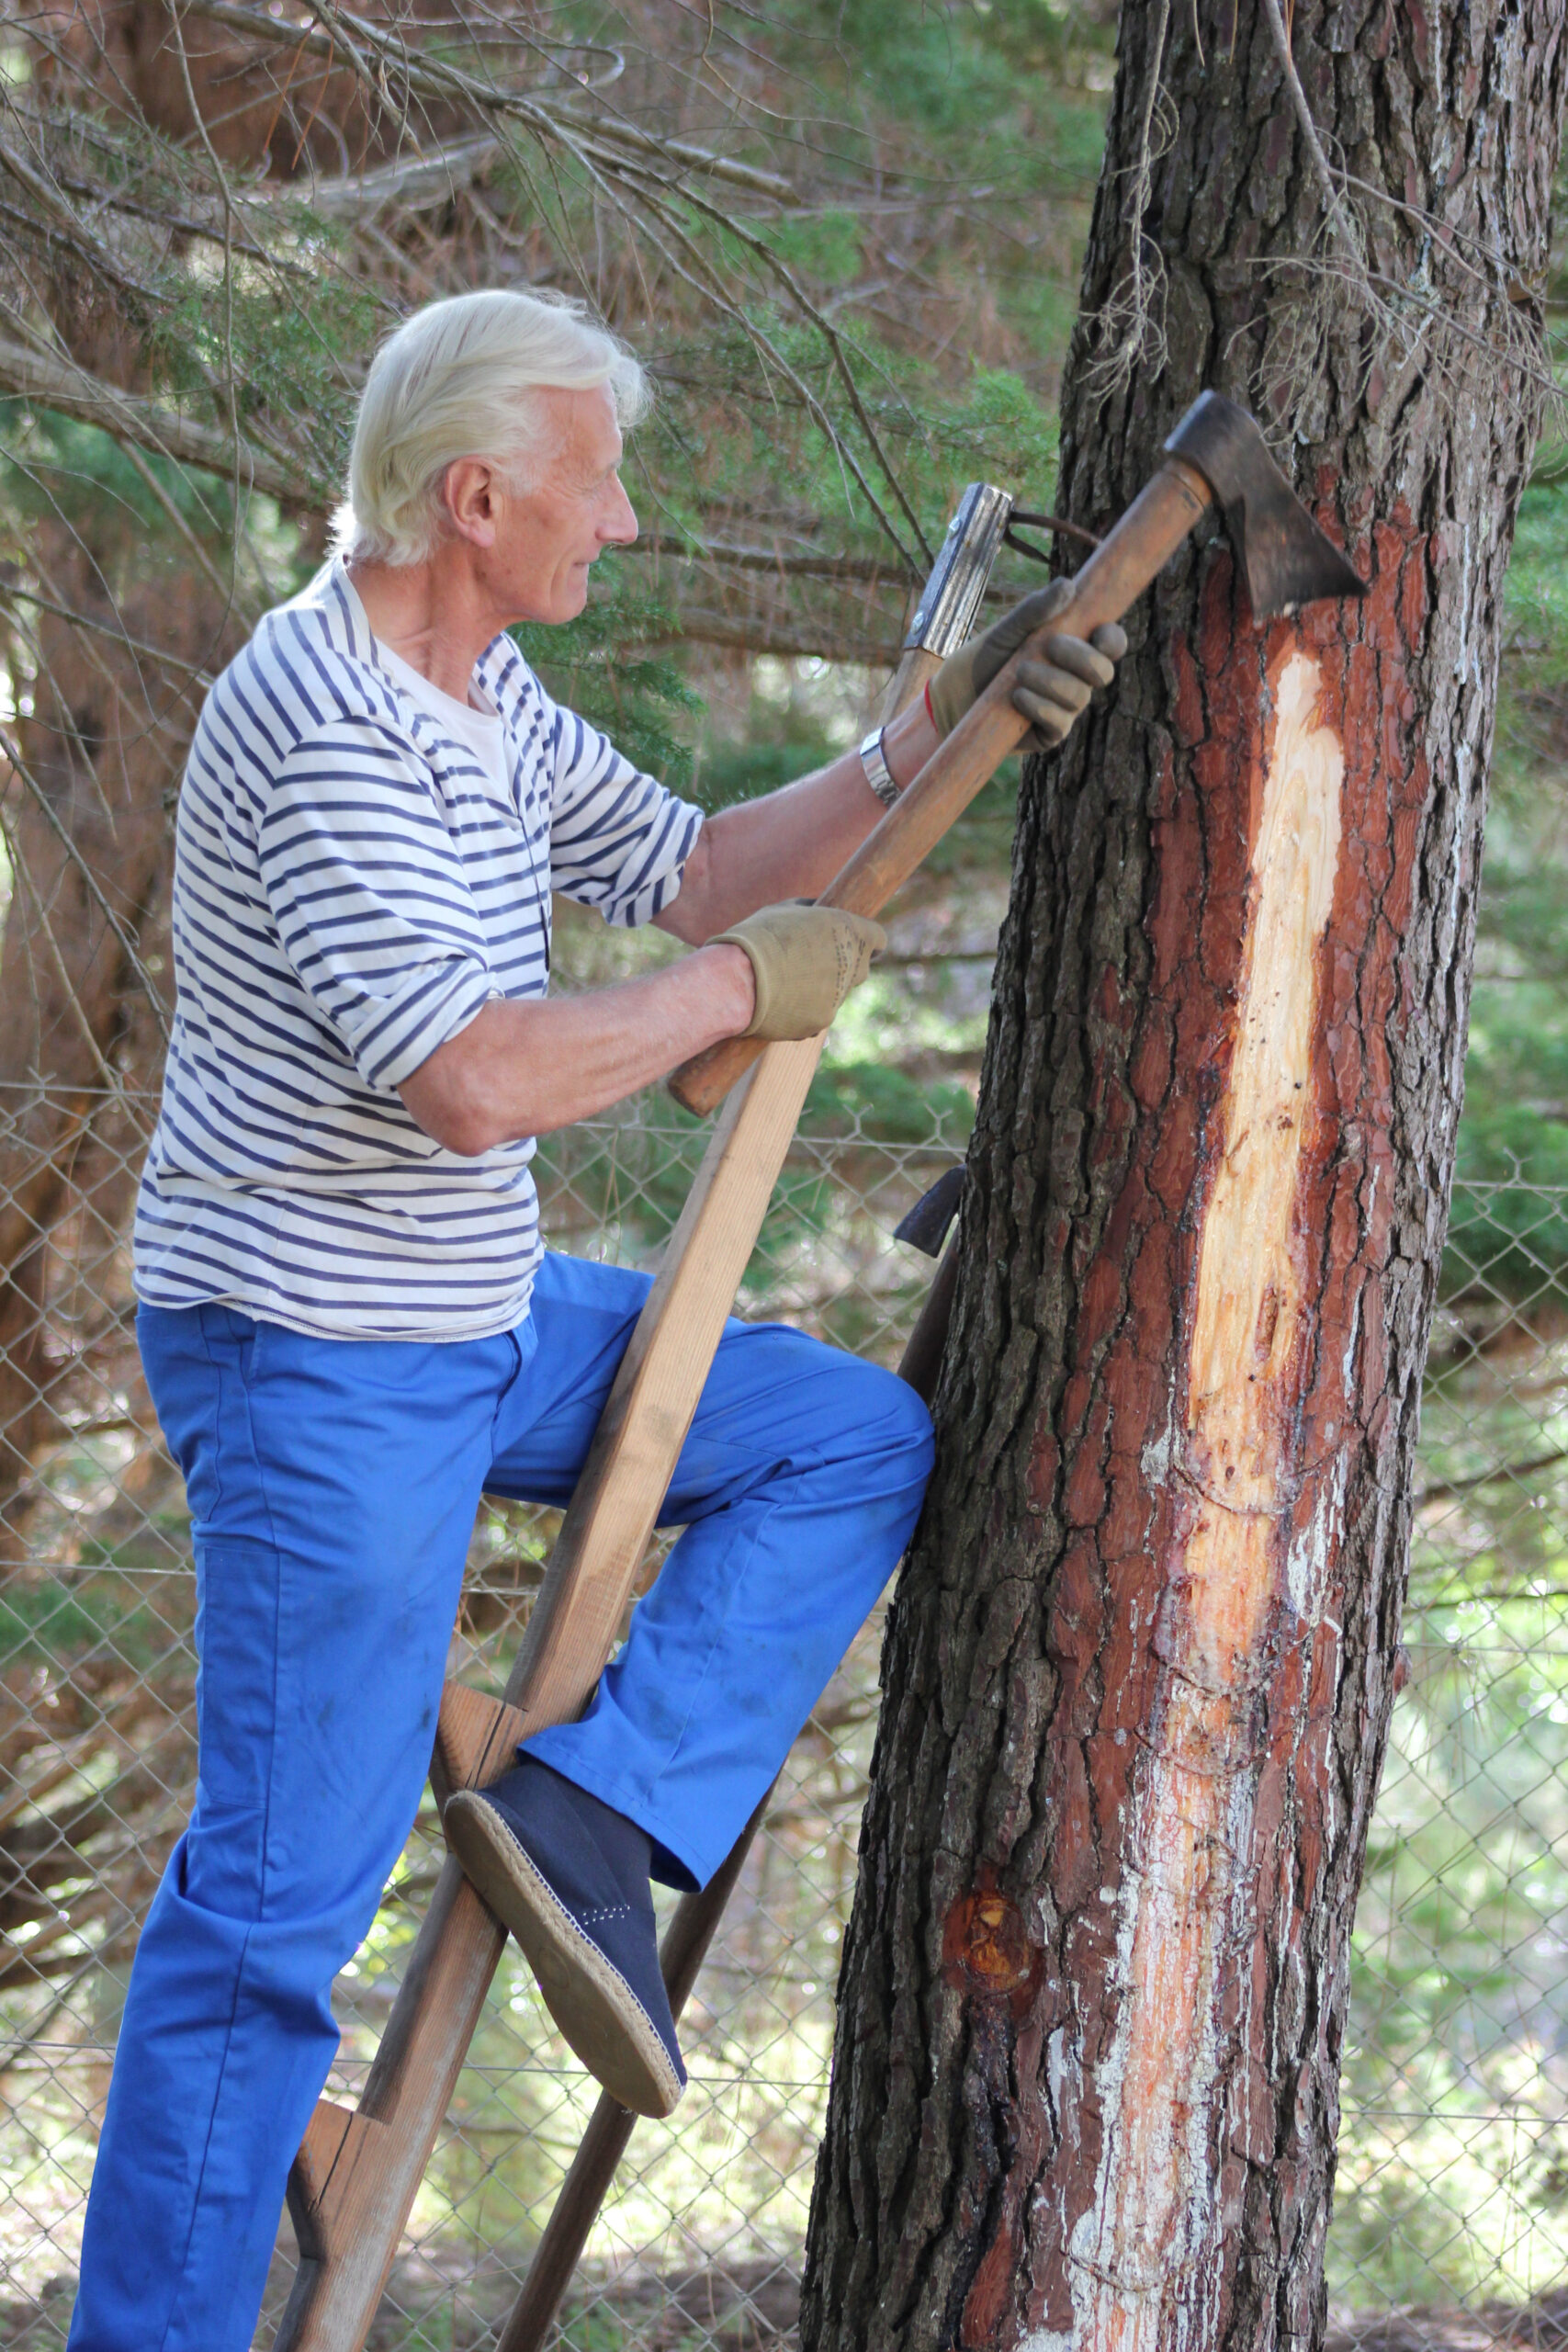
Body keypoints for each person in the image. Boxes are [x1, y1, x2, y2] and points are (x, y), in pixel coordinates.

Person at [65, 288, 1123, 2352]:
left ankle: (593, 1800)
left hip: (468, 1308)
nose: (620, 522)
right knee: (280, 1906)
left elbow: (700, 864)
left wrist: (921, 741)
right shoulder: (317, 720)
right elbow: (476, 1073)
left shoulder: (483, 690)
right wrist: (736, 996)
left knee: (841, 1440)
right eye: (591, 483)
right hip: (314, 1354)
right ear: (474, 497)